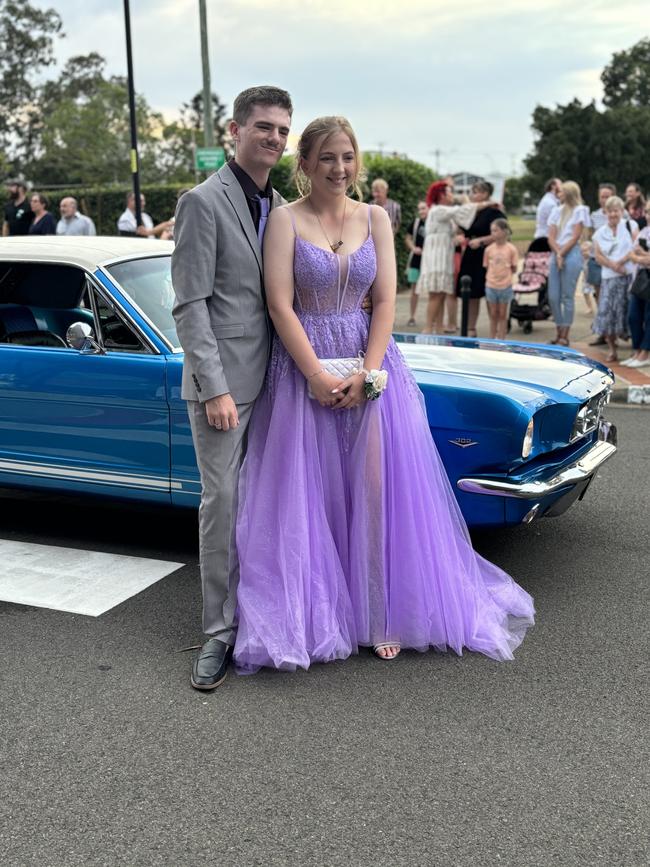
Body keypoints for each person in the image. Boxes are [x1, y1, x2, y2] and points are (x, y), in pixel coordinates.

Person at [232, 115, 534, 673]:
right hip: (305, 370)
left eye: (347, 157)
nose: (339, 168)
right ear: (305, 164)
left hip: (372, 370)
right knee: (312, 491)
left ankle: (379, 612)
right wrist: (317, 377)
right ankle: (317, 612)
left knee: (373, 492)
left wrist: (370, 375)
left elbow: (388, 302)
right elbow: (279, 305)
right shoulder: (283, 220)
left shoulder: (374, 218)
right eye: (326, 158)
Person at [171, 85, 293, 691]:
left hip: (281, 381)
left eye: (282, 131)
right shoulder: (202, 201)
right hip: (226, 390)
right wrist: (215, 388)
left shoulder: (283, 206)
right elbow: (189, 305)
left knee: (272, 501)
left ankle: (265, 615)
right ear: (236, 130)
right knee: (223, 504)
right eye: (264, 127)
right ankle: (218, 633)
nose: (273, 138)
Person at [417, 180, 497, 334]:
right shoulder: (438, 210)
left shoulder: (443, 212)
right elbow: (465, 209)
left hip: (443, 254)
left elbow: (458, 223)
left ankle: (439, 327)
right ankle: (428, 328)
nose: (451, 195)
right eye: (448, 192)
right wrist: (488, 203)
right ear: (441, 195)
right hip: (436, 256)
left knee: (440, 293)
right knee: (436, 293)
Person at [457, 180, 506, 337]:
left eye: (476, 192)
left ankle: (495, 330)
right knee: (471, 293)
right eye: (472, 191)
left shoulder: (494, 212)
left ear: (485, 194)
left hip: (487, 253)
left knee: (490, 293)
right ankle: (471, 328)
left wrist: (481, 241)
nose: (472, 195)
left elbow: (501, 233)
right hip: (471, 254)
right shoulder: (470, 211)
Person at [591, 196, 635, 363]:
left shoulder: (630, 226)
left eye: (616, 210)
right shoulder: (599, 233)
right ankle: (612, 349)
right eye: (610, 211)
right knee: (607, 314)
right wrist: (614, 265)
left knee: (628, 314)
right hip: (609, 278)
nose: (613, 214)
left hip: (628, 277)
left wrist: (622, 262)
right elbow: (598, 256)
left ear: (621, 211)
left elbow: (635, 247)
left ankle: (634, 349)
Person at [547, 181, 590, 346]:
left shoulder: (580, 210)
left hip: (571, 253)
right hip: (557, 251)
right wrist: (558, 254)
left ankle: (564, 334)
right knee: (553, 296)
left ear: (569, 193)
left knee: (567, 296)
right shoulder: (556, 211)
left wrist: (562, 254)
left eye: (562, 192)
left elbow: (575, 236)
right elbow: (550, 236)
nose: (559, 194)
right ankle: (558, 330)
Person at [483, 218, 518, 340]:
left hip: (505, 285)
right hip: (491, 285)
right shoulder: (488, 250)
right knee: (493, 314)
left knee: (503, 314)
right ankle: (492, 337)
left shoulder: (511, 249)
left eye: (495, 230)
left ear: (504, 231)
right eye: (492, 231)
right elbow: (486, 266)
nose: (493, 233)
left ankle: (502, 338)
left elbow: (514, 268)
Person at [625, 204, 650, 368]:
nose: (648, 215)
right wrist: (642, 257)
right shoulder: (643, 232)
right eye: (647, 211)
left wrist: (641, 255)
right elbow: (631, 253)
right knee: (633, 316)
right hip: (640, 279)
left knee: (649, 318)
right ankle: (637, 350)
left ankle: (645, 353)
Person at [404, 200, 428, 326]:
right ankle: (412, 317)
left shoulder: (433, 222)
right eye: (419, 209)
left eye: (424, 208)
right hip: (416, 259)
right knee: (414, 289)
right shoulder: (416, 223)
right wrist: (413, 248)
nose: (421, 211)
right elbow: (407, 238)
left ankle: (431, 319)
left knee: (432, 289)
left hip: (430, 260)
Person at [530, 177, 561, 252]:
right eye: (560, 184)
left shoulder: (550, 200)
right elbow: (557, 223)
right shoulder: (550, 203)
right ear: (553, 186)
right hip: (545, 239)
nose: (562, 187)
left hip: (545, 237)